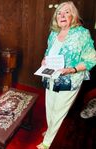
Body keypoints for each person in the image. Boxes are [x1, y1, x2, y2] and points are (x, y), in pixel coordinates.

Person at [37, 1, 96, 149]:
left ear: (73, 16)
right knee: (49, 107)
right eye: (59, 13)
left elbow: (91, 59)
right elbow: (48, 52)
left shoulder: (82, 33)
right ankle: (52, 131)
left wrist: (72, 69)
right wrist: (44, 60)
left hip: (69, 79)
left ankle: (47, 143)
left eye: (67, 12)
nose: (62, 15)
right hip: (51, 77)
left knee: (59, 110)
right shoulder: (53, 34)